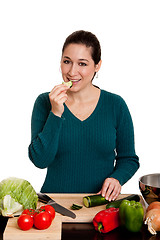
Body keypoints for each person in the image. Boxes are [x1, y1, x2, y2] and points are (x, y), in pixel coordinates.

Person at [28, 30, 139, 201]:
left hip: (99, 204)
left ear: (97, 65)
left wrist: (117, 178)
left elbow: (129, 158)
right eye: (67, 62)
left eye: (82, 64)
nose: (72, 71)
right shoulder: (45, 102)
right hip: (52, 204)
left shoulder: (116, 105)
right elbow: (40, 161)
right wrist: (56, 113)